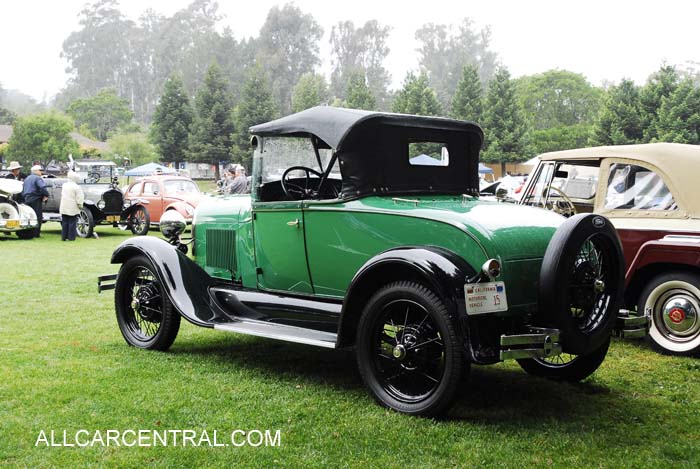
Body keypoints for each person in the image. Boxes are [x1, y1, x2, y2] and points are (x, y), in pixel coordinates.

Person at [21, 165, 49, 238]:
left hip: (26, 199)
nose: (41, 172)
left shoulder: (27, 178)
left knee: (28, 217)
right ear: (36, 171)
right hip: (35, 199)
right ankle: (36, 234)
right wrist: (46, 195)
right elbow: (42, 187)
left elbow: (23, 189)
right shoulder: (37, 178)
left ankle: (28, 232)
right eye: (40, 170)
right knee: (37, 217)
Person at [59, 171, 85, 241]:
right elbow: (80, 197)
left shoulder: (64, 185)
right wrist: (80, 205)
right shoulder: (77, 187)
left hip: (64, 206)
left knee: (64, 222)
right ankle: (71, 237)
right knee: (72, 222)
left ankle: (64, 237)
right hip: (72, 206)